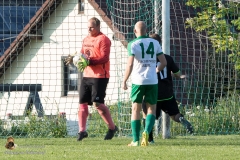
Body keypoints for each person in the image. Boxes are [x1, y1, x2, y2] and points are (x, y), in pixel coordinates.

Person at [65, 17, 118, 141]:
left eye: (92, 27)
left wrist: (89, 61)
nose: (89, 29)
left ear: (98, 27)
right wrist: (73, 57)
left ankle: (112, 127)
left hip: (100, 76)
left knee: (97, 104)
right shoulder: (86, 39)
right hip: (86, 75)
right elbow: (82, 55)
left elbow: (105, 58)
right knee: (82, 103)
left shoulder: (104, 39)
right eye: (88, 27)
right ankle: (82, 131)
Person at [142, 33, 194, 144]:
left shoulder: (147, 59)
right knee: (175, 115)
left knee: (147, 115)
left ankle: (150, 139)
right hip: (167, 93)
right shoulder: (168, 58)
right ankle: (181, 119)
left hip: (153, 92)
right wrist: (179, 76)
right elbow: (177, 73)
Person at [122, 21, 167, 146]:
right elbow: (163, 62)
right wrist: (155, 70)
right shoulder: (155, 42)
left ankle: (135, 140)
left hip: (138, 81)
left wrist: (124, 80)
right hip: (152, 80)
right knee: (151, 108)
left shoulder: (132, 44)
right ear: (146, 31)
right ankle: (146, 132)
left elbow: (130, 64)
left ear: (135, 31)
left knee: (135, 109)